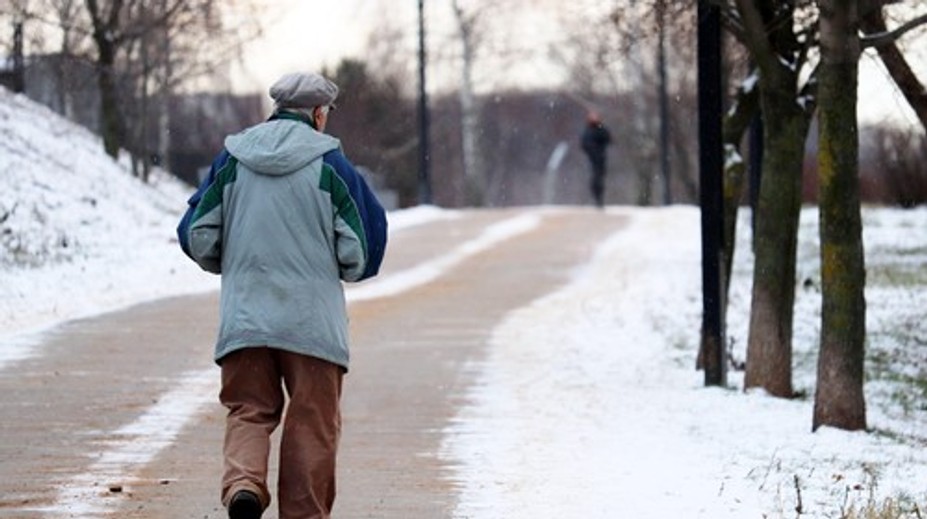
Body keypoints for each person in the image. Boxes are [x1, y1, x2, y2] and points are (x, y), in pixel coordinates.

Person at [179, 72, 388, 519]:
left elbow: (197, 234)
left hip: (246, 320)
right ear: (317, 114)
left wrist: (234, 264)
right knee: (312, 423)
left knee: (248, 410)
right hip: (312, 326)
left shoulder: (232, 160)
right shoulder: (333, 166)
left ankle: (243, 486)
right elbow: (363, 251)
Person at [580, 111, 612, 208]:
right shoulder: (587, 130)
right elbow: (584, 144)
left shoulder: (601, 129)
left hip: (601, 158)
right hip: (592, 159)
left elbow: (608, 139)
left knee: (599, 178)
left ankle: (599, 199)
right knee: (595, 178)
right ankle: (596, 198)